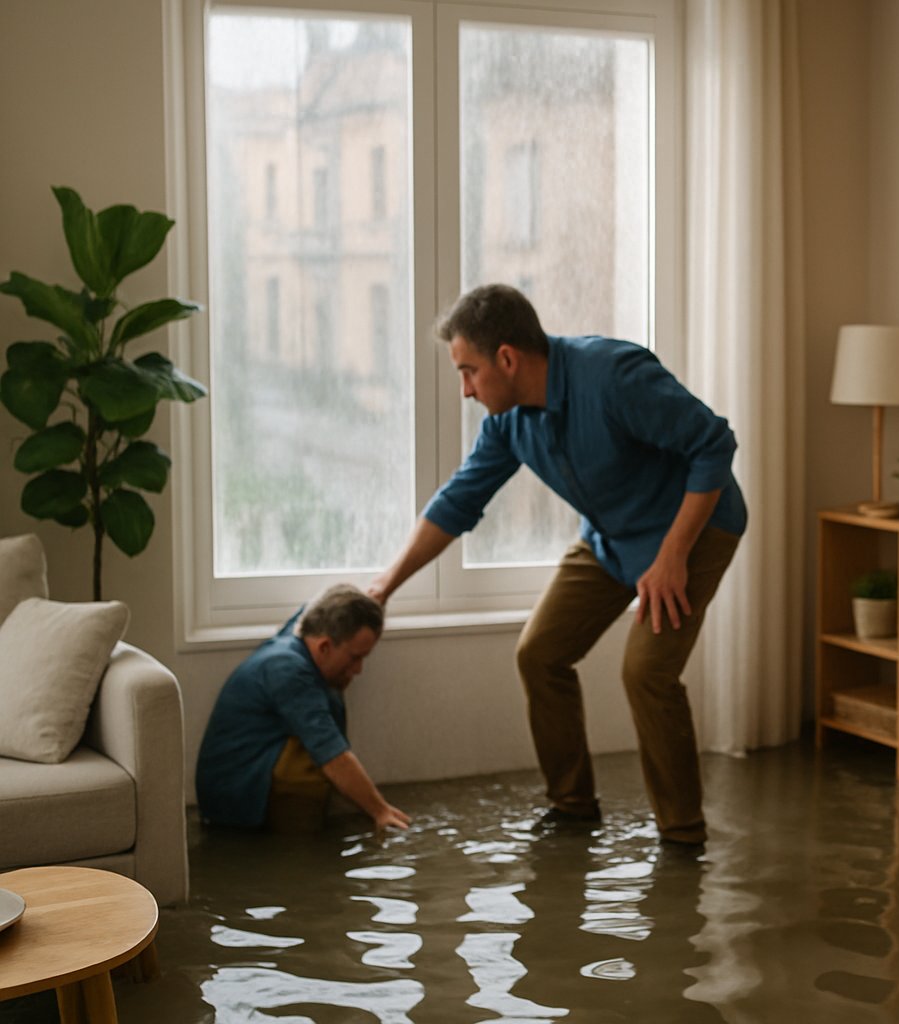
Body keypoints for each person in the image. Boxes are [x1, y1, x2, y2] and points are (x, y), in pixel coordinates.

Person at [367, 284, 746, 846]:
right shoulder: (508, 422)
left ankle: (682, 834)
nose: (465, 390)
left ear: (507, 358)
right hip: (610, 536)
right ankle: (571, 807)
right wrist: (382, 589)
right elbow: (458, 503)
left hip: (694, 527)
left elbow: (714, 444)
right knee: (540, 653)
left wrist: (672, 557)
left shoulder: (612, 374)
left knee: (647, 672)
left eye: (468, 371)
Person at [196, 583, 409, 832]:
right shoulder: (288, 670)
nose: (358, 670)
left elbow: (326, 603)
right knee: (311, 759)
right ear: (324, 646)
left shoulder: (304, 630)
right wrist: (380, 811)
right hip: (235, 804)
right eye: (355, 657)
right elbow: (332, 755)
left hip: (239, 781)